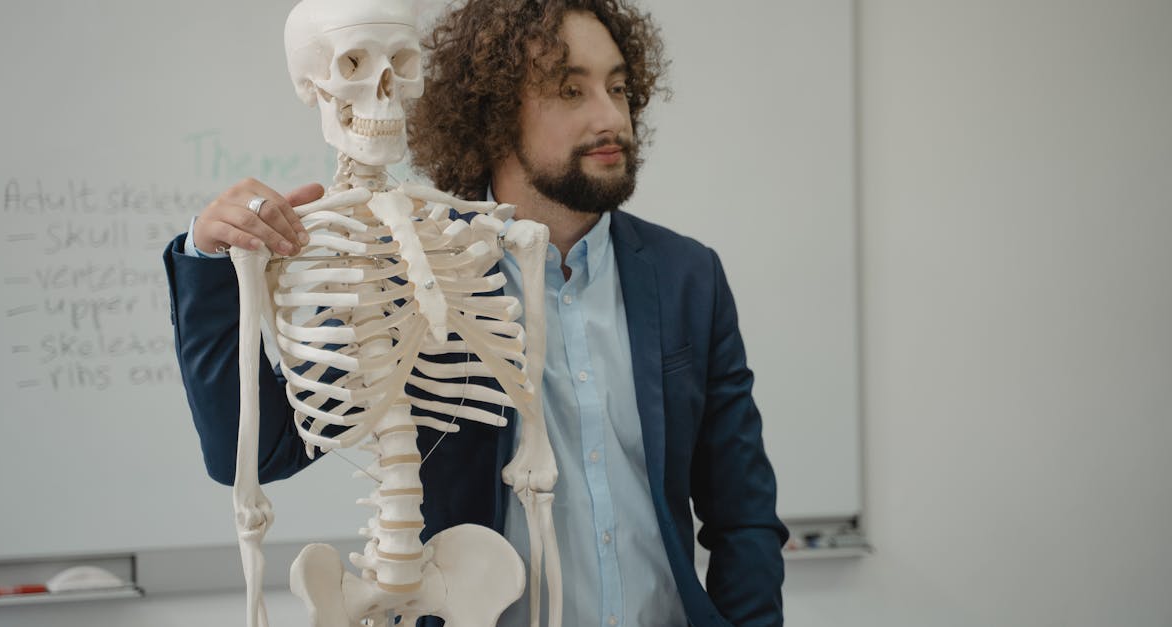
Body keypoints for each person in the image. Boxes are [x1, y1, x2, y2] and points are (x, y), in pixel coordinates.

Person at [163, 0, 788, 625]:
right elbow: (258, 452)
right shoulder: (407, 264)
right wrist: (208, 257)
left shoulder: (687, 276)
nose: (611, 117)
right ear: (493, 112)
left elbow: (743, 514)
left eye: (618, 88)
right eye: (571, 90)